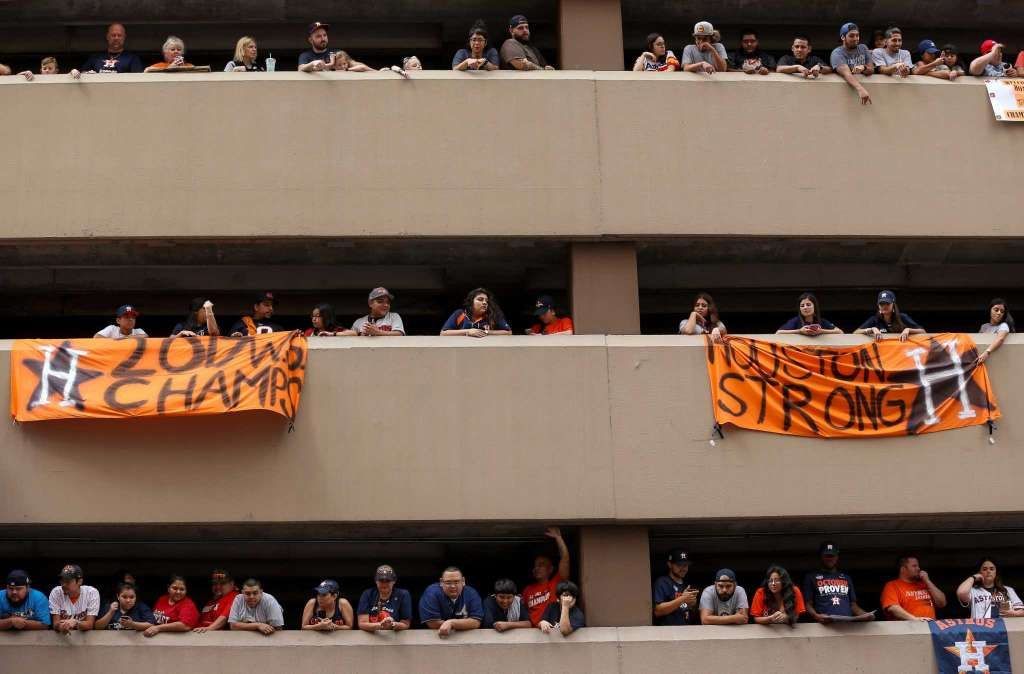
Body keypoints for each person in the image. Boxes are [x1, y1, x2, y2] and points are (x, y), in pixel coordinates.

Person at [802, 542, 874, 624]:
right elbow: (808, 604)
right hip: (824, 625)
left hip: (846, 625)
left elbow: (853, 606)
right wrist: (815, 615)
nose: (830, 559)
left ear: (837, 557)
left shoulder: (846, 578)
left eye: (832, 556)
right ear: (821, 556)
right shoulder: (811, 577)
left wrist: (866, 615)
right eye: (827, 556)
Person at [522, 527, 571, 626]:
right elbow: (524, 613)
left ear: (550, 569)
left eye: (541, 565)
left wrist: (558, 538)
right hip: (531, 631)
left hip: (551, 629)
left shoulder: (557, 583)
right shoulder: (527, 590)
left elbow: (565, 559)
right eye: (535, 566)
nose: (537, 568)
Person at [418, 567, 484, 637]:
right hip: (434, 637)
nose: (453, 586)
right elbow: (432, 623)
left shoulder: (471, 593)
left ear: (463, 581)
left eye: (456, 582)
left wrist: (451, 623)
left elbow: (476, 622)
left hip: (467, 637)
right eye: (448, 582)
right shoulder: (431, 593)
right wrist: (464, 624)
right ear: (441, 582)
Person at [880, 555, 947, 621]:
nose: (918, 568)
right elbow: (892, 608)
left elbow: (942, 603)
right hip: (908, 626)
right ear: (903, 569)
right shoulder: (892, 585)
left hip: (930, 626)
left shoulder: (925, 584)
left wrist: (927, 581)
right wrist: (914, 619)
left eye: (918, 566)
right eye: (914, 566)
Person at [956, 558, 1024, 619]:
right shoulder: (973, 591)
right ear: (980, 572)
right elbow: (961, 593)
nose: (988, 571)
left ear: (996, 572)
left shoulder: (1008, 590)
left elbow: (1022, 611)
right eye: (984, 569)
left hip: (1004, 627)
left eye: (991, 569)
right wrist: (973, 577)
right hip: (981, 628)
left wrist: (1013, 613)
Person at [357, 565, 413, 632]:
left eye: (387, 580)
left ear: (394, 581)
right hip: (371, 635)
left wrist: (393, 624)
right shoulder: (367, 594)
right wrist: (380, 625)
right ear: (376, 581)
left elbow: (406, 624)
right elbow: (362, 623)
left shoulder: (403, 594)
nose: (384, 583)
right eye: (381, 580)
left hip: (394, 636)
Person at [855, 290, 925, 342]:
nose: (884, 306)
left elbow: (923, 331)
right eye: (881, 304)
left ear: (893, 305)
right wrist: (872, 329)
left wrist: (908, 330)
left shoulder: (902, 317)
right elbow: (856, 332)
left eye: (887, 303)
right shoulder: (874, 319)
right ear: (878, 305)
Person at [830, 22, 874, 105]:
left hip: (870, 89)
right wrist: (860, 89)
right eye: (851, 36)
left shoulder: (863, 48)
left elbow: (871, 69)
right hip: (845, 94)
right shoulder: (837, 53)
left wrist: (863, 67)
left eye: (857, 35)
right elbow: (847, 74)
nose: (855, 38)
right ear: (843, 37)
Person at [441, 287, 512, 337]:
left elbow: (508, 332)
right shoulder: (459, 314)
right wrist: (468, 331)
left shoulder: (493, 314)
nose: (485, 303)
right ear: (471, 302)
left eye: (486, 301)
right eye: (480, 299)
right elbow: (443, 333)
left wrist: (485, 332)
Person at [653, 550, 699, 626]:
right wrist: (682, 599)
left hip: (687, 629)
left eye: (686, 565)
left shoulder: (687, 584)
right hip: (668, 630)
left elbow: (689, 612)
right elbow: (658, 611)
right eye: (679, 565)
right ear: (669, 564)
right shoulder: (662, 582)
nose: (683, 568)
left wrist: (692, 605)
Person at [49, 564, 100, 633]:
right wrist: (61, 627)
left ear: (79, 581)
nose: (63, 584)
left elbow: (90, 624)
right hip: (63, 636)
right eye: (62, 581)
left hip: (84, 637)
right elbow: (55, 623)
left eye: (67, 581)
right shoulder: (56, 592)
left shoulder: (91, 593)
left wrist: (76, 623)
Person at [776, 293, 842, 335]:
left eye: (808, 305)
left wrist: (821, 331)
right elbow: (778, 333)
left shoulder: (822, 321)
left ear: (814, 306)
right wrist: (800, 331)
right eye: (802, 306)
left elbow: (840, 332)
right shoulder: (795, 321)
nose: (805, 308)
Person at [978, 298, 1015, 365]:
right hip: (980, 359)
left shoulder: (1003, 325)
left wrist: (987, 352)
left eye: (1002, 311)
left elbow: (1000, 339)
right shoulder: (984, 327)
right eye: (996, 310)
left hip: (995, 361)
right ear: (990, 310)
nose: (999, 313)